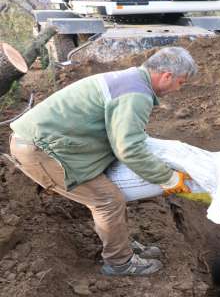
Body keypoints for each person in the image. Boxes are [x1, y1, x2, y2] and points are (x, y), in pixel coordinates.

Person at [9, 47, 197, 276]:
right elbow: (128, 148)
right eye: (181, 82)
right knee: (107, 200)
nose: (179, 89)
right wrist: (168, 178)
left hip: (53, 144)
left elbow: (126, 137)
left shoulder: (132, 80)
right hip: (42, 150)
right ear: (167, 75)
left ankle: (121, 246)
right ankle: (120, 262)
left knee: (110, 193)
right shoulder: (136, 94)